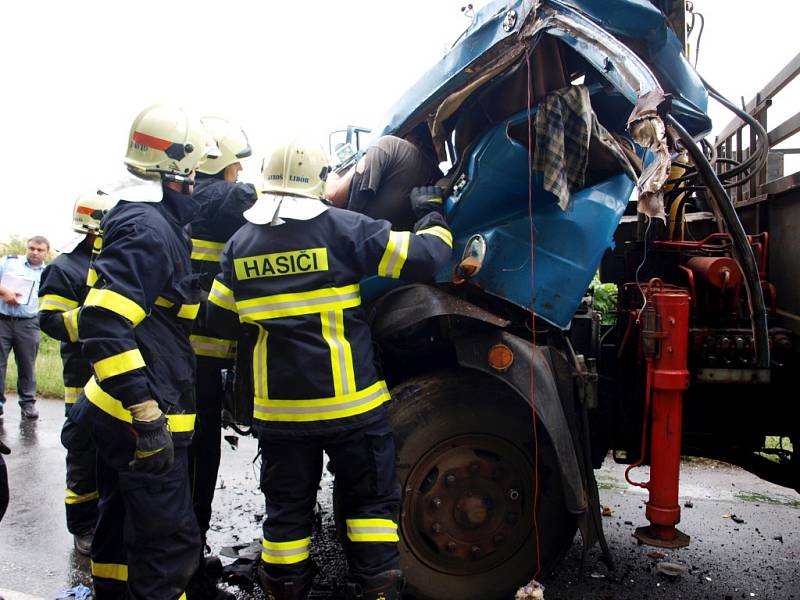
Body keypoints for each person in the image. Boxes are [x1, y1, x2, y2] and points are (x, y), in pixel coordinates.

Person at [207, 139, 453, 600]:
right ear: (318, 180)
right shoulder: (343, 230)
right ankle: (377, 588)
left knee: (286, 511)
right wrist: (432, 214)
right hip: (351, 409)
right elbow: (426, 257)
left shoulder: (238, 245)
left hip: (280, 415)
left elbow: (218, 318)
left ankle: (283, 588)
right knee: (370, 506)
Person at [69, 104, 220, 600]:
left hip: (114, 409)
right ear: (172, 169)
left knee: (118, 526)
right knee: (167, 543)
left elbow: (151, 311)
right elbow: (105, 322)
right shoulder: (149, 229)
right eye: (194, 172)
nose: (197, 184)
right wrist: (146, 410)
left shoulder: (144, 220)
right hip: (141, 417)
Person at [188, 116, 256, 574]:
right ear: (227, 164)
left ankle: (184, 547)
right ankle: (192, 549)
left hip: (175, 348)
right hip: (209, 351)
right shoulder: (234, 197)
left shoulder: (180, 200)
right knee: (202, 451)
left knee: (181, 452)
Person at [38, 190, 117, 555]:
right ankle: (82, 524)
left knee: (112, 448)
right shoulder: (64, 266)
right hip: (80, 374)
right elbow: (50, 321)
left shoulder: (114, 261)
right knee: (83, 450)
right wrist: (95, 320)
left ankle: (108, 517)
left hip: (114, 371)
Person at [324, 125, 441, 230]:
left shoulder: (389, 146)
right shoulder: (437, 176)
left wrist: (331, 177)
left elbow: (333, 197)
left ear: (410, 137)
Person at [0, 235, 50, 419]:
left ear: (46, 252)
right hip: (2, 320)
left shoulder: (49, 272)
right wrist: (4, 291)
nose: (35, 252)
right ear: (26, 248)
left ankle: (28, 404)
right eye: (31, 248)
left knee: (27, 366)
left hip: (29, 324)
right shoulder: (9, 262)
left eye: (39, 250)